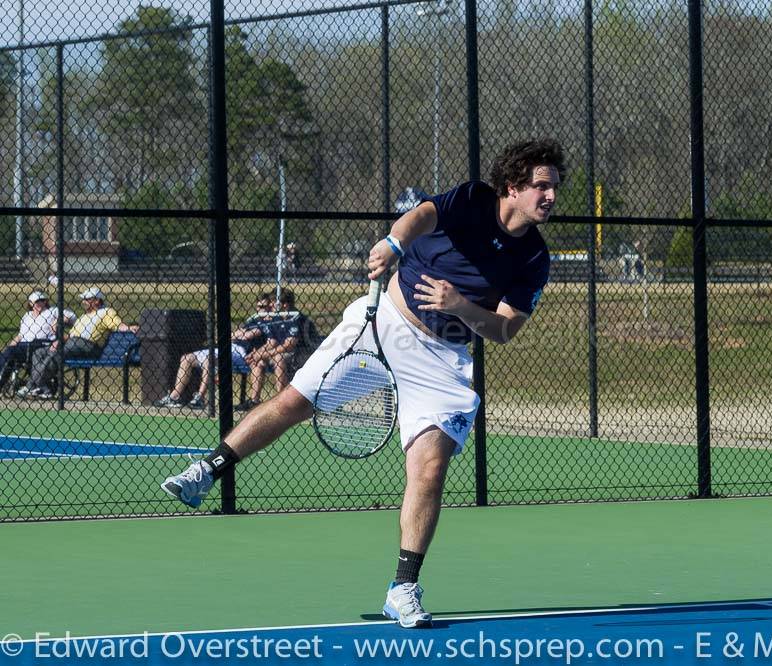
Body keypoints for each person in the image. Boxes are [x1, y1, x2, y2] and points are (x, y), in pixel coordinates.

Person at [160, 138, 565, 628]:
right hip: (384, 321)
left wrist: (459, 305)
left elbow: (504, 330)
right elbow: (420, 217)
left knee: (430, 467)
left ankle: (404, 588)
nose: (550, 196)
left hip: (443, 358)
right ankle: (207, 470)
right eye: (541, 186)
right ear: (513, 187)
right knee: (292, 403)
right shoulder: (474, 199)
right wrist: (393, 244)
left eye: (553, 188)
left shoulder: (534, 259)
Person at [153, 293, 276, 409]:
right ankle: (175, 397)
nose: (261, 309)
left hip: (243, 352)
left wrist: (242, 334)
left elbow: (249, 335)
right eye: (259, 306)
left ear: (270, 306)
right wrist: (240, 334)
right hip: (228, 346)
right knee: (187, 358)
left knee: (210, 359)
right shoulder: (253, 320)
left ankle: (200, 398)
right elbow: (235, 334)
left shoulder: (270, 321)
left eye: (264, 306)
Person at [19, 287, 135, 399]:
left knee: (55, 354)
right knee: (38, 352)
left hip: (88, 346)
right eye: (83, 299)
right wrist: (58, 341)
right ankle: (44, 388)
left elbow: (117, 324)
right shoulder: (83, 317)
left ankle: (31, 386)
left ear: (97, 301)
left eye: (87, 299)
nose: (83, 302)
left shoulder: (106, 312)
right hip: (73, 343)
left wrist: (129, 327)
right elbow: (71, 335)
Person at [237, 289, 302, 412]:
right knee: (258, 362)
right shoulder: (275, 318)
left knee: (279, 358)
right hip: (280, 351)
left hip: (300, 352)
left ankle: (282, 400)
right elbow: (271, 342)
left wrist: (266, 353)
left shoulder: (295, 317)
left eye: (273, 302)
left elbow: (289, 344)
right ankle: (254, 401)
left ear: (285, 305)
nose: (270, 305)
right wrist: (257, 354)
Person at [0, 291, 76, 390]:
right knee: (9, 353)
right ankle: (2, 383)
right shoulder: (27, 316)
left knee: (11, 351)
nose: (40, 303)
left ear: (45, 302)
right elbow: (20, 335)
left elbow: (72, 316)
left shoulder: (52, 311)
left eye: (42, 300)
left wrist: (58, 321)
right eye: (37, 301)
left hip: (43, 344)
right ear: (31, 303)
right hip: (24, 345)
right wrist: (12, 344)